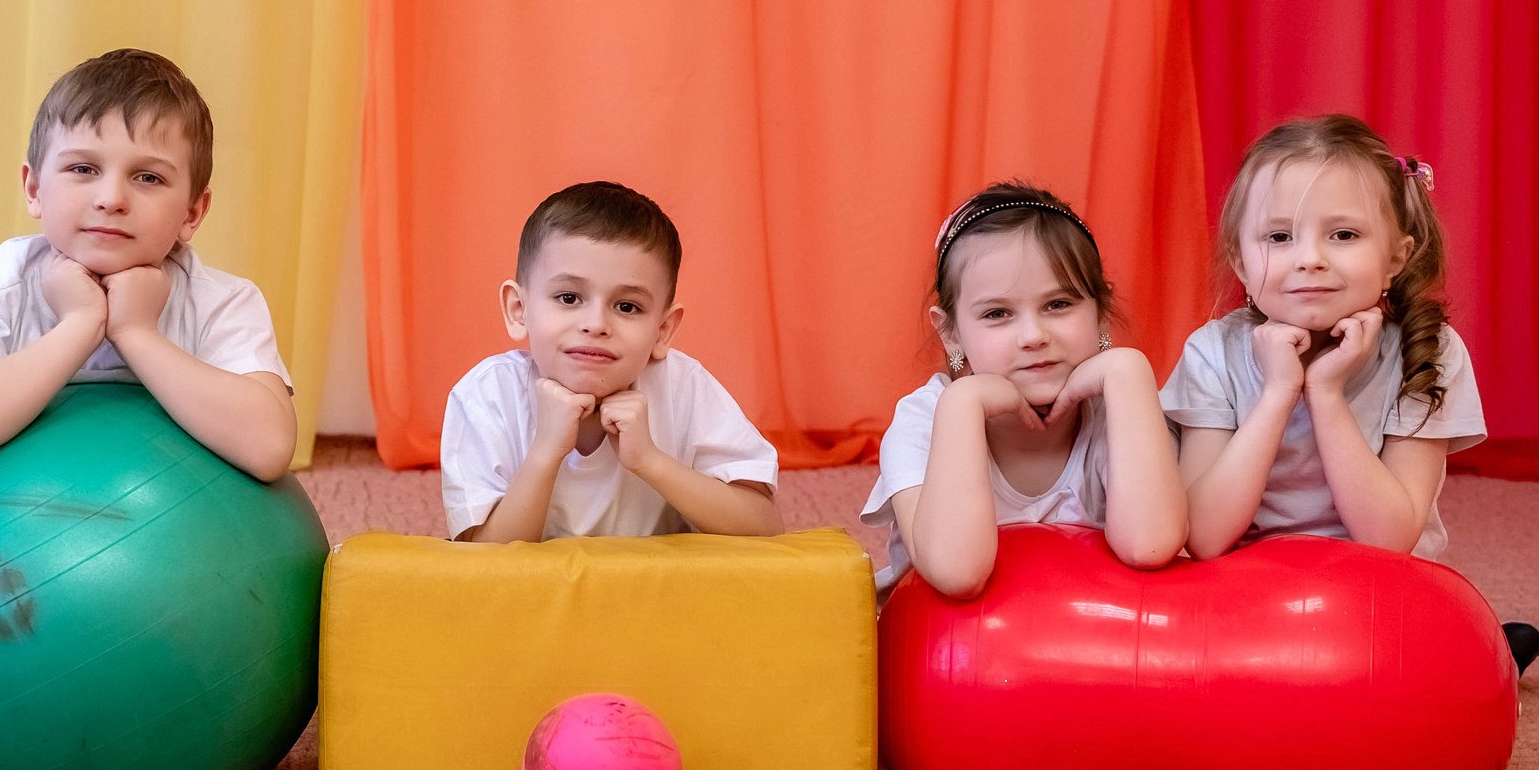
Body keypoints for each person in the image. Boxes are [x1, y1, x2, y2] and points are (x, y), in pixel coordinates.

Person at [1163, 114, 1539, 672]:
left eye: (1343, 235)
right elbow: (1206, 537)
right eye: (1278, 237)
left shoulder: (1430, 351)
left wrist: (1327, 392)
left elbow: (1386, 540)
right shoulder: (1212, 351)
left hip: (1378, 593)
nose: (1310, 258)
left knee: (1429, 670)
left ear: (1395, 256)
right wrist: (1278, 393)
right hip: (1239, 592)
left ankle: (1487, 656)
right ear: (1242, 263)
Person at [0, 48, 296, 479]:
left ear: (191, 212)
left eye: (148, 178)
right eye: (83, 168)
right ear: (35, 188)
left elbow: (269, 447)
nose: (111, 199)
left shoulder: (224, 303)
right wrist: (81, 322)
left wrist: (136, 332)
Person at [860, 183, 1186, 599]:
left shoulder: (1118, 409)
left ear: (1102, 312)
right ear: (951, 333)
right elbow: (957, 572)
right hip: (950, 656)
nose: (1033, 336)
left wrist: (1130, 374)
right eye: (998, 314)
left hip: (1086, 647)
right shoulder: (922, 420)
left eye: (1058, 305)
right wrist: (965, 403)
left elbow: (1151, 544)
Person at [441, 181, 780, 542]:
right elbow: (481, 561)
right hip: (533, 599)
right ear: (518, 310)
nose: (597, 325)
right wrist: (546, 452)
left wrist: (650, 461)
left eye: (627, 306)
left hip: (653, 593)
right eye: (569, 297)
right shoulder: (485, 396)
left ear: (663, 330)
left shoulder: (683, 386)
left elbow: (765, 525)